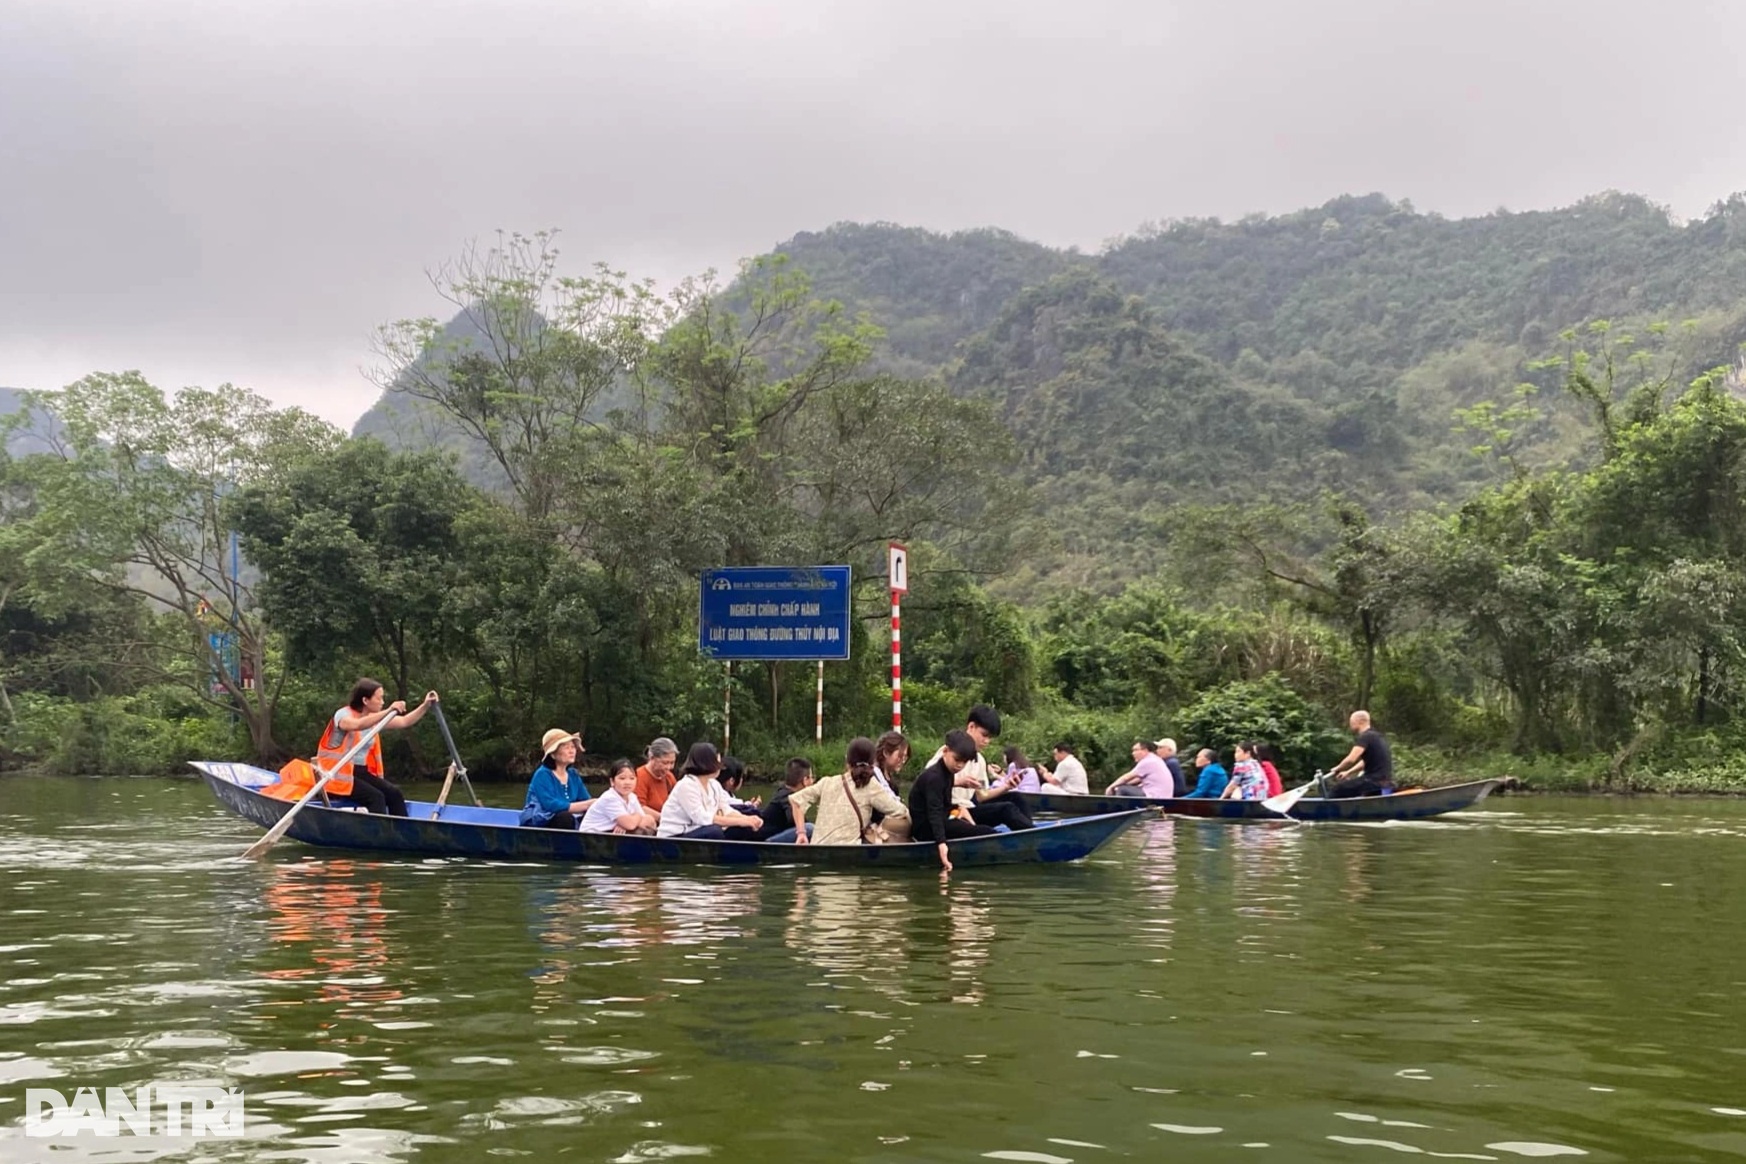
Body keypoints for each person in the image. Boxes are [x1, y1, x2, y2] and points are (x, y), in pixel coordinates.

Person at [316, 678, 437, 816]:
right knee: (376, 797)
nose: (383, 702)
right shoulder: (343, 714)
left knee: (394, 794)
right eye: (379, 698)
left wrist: (426, 705)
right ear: (365, 701)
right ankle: (380, 834)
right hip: (335, 775)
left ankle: (401, 833)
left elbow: (405, 721)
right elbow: (357, 725)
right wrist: (389, 710)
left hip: (360, 772)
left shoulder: (374, 718)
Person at [925, 705, 1034, 831]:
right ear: (971, 727)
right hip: (953, 811)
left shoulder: (980, 760)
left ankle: (1031, 831)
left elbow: (981, 795)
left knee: (1016, 798)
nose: (987, 741)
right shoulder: (949, 753)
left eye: (990, 738)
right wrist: (959, 782)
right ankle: (1032, 836)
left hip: (970, 807)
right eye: (984, 735)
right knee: (1006, 809)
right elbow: (927, 782)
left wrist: (1006, 787)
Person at [789, 737, 911, 845]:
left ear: (847, 759)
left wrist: (801, 833)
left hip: (818, 846)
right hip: (849, 848)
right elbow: (899, 811)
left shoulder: (826, 782)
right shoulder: (870, 785)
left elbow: (796, 801)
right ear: (872, 761)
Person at [909, 730, 1000, 873]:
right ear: (945, 751)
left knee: (980, 828)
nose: (959, 766)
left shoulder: (947, 772)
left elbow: (944, 805)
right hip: (925, 829)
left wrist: (958, 809)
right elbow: (934, 812)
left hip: (939, 821)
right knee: (986, 832)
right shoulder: (935, 777)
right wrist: (942, 844)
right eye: (957, 760)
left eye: (964, 763)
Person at [656, 742, 763, 840]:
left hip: (698, 832)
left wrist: (748, 819)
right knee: (714, 831)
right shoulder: (686, 785)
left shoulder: (714, 785)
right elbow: (702, 818)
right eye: (717, 763)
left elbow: (726, 810)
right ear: (706, 763)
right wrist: (741, 821)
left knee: (744, 827)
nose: (720, 768)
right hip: (675, 837)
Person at [520, 729, 593, 828]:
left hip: (566, 819)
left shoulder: (573, 775)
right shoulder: (542, 774)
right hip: (541, 820)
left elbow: (586, 799)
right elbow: (550, 805)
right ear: (553, 754)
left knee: (595, 816)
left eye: (573, 747)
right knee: (564, 817)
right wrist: (587, 804)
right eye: (566, 748)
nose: (571, 751)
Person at [1320, 711, 1394, 798]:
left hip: (1373, 781)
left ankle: (1329, 809)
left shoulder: (1365, 737)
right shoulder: (1377, 736)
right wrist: (1348, 772)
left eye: (1351, 721)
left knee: (1338, 789)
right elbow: (1364, 762)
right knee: (1352, 788)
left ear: (1360, 721)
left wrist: (1337, 768)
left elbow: (1351, 759)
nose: (1350, 724)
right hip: (1385, 782)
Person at [580, 759, 660, 834]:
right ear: (612, 782)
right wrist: (636, 817)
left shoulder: (632, 797)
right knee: (639, 829)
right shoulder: (610, 798)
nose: (627, 782)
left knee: (646, 827)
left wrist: (628, 823)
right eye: (622, 778)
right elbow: (630, 824)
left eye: (632, 778)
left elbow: (649, 820)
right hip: (592, 837)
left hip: (610, 835)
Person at [756, 758, 815, 843]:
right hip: (767, 840)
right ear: (805, 780)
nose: (813, 781)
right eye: (811, 777)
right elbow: (794, 819)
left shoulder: (783, 791)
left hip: (777, 834)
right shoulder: (787, 796)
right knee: (810, 828)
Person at [1106, 740, 1175, 798]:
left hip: (1155, 796)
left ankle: (1117, 810)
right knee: (1124, 787)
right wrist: (1125, 784)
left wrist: (1111, 787)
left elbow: (1126, 777)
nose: (1133, 753)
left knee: (1122, 789)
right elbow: (1137, 779)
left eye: (1135, 750)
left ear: (1145, 750)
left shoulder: (1148, 761)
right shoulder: (1154, 759)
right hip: (1163, 796)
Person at [634, 737, 680, 814]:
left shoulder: (669, 776)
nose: (669, 767)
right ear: (652, 758)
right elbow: (639, 807)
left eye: (672, 763)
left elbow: (679, 799)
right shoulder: (640, 776)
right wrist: (663, 818)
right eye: (665, 763)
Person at [873, 731, 910, 796]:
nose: (903, 761)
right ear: (886, 753)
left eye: (905, 757)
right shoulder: (873, 779)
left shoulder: (892, 784)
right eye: (900, 756)